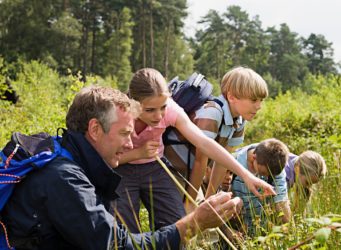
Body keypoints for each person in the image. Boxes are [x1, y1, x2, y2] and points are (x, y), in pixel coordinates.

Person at [2, 85, 244, 250]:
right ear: (95, 130)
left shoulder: (66, 153)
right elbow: (117, 245)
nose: (130, 143)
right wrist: (193, 224)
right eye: (125, 133)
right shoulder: (64, 178)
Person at [113, 68, 275, 234]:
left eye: (162, 107)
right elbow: (104, 158)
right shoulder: (118, 115)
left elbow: (204, 143)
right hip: (122, 168)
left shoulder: (171, 110)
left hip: (156, 166)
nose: (159, 116)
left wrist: (246, 176)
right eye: (150, 110)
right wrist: (138, 153)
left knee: (178, 225)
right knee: (124, 229)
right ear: (133, 103)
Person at [164, 66, 269, 211]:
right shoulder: (212, 113)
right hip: (171, 168)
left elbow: (222, 162)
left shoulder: (238, 121)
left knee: (203, 217)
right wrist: (190, 201)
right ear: (232, 97)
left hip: (188, 172)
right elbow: (201, 161)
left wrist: (210, 201)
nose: (259, 106)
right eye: (254, 100)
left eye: (261, 100)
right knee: (183, 217)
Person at [231, 138, 291, 234]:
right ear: (253, 157)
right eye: (263, 173)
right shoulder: (232, 162)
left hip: (263, 232)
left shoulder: (276, 166)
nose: (266, 178)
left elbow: (282, 205)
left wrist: (290, 232)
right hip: (238, 231)